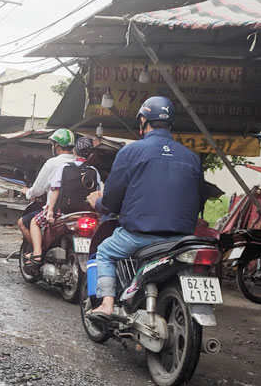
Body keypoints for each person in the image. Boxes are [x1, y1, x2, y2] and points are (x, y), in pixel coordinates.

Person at [86, 96, 210, 320]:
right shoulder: (191, 158)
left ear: (143, 120)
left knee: (104, 252)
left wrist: (98, 203)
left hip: (139, 236)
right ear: (170, 122)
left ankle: (106, 304)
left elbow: (113, 199)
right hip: (180, 240)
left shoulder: (130, 152)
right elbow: (200, 197)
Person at [28, 136, 102, 264]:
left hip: (63, 212)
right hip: (86, 213)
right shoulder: (94, 171)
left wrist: (50, 210)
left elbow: (55, 189)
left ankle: (37, 254)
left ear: (74, 151)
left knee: (34, 222)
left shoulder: (65, 167)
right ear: (90, 155)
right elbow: (99, 193)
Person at [18, 128, 76, 249]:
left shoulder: (53, 163)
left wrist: (28, 192)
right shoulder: (79, 163)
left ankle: (38, 252)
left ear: (57, 145)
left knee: (24, 222)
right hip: (76, 211)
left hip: (55, 210)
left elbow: (38, 189)